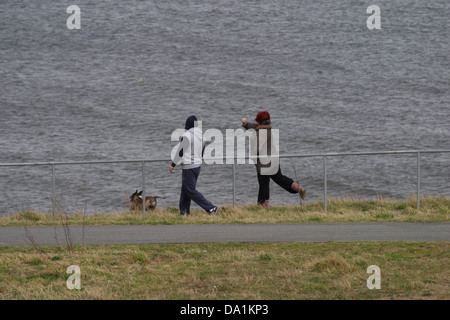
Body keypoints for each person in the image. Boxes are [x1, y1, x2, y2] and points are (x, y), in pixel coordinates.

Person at [241, 111, 306, 207]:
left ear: (259, 121)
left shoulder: (261, 133)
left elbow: (257, 148)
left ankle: (263, 206)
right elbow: (254, 127)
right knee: (280, 179)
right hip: (273, 160)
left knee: (264, 184)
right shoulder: (266, 128)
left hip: (264, 163)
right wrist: (246, 124)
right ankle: (299, 188)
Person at [170, 115, 218, 216]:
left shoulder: (187, 136)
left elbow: (180, 151)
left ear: (187, 125)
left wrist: (173, 164)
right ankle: (184, 212)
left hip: (189, 166)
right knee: (185, 189)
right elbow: (203, 149)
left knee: (190, 190)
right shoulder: (201, 135)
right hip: (197, 166)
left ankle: (211, 208)